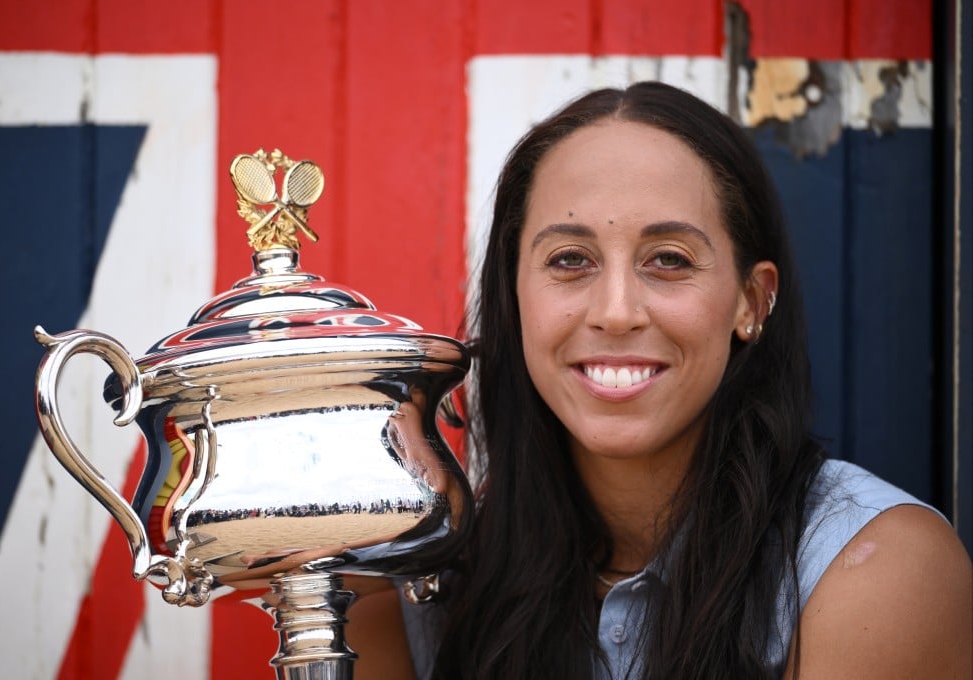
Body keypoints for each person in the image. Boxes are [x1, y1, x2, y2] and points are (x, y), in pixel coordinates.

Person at [344, 81, 972, 679]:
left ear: (751, 302)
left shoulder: (877, 567)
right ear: (514, 299)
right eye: (570, 260)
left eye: (669, 259)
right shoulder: (426, 587)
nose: (616, 311)